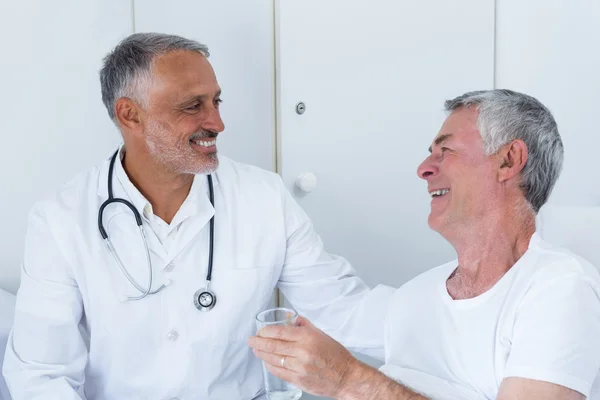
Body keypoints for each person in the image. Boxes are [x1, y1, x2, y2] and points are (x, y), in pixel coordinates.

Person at [1, 33, 394, 399]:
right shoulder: (60, 220)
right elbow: (42, 374)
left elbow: (343, 310)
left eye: (216, 102)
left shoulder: (263, 197)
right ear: (130, 116)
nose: (217, 123)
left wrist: (447, 307)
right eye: (193, 106)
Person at [249, 89, 600, 400]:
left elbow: (349, 374)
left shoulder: (558, 288)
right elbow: (338, 312)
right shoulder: (419, 295)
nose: (423, 168)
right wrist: (272, 213)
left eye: (445, 150)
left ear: (509, 160)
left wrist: (348, 381)